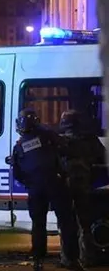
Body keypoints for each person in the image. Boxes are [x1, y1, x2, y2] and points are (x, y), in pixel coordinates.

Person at [10, 108, 85, 271]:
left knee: (38, 224)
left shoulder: (19, 146)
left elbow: (16, 173)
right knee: (66, 222)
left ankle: (38, 259)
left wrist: (30, 183)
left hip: (35, 188)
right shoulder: (47, 134)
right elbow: (66, 148)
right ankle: (71, 259)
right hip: (55, 183)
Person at [59, 110, 106, 267]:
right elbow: (103, 158)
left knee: (66, 224)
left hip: (64, 188)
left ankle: (67, 259)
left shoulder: (59, 141)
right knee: (84, 225)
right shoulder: (90, 139)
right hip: (84, 186)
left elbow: (52, 163)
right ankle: (87, 258)